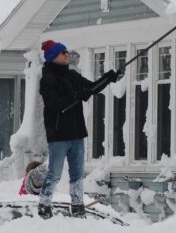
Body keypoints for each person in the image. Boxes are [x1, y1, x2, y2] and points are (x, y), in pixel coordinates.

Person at [37, 40, 122, 219]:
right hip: (59, 135)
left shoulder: (72, 76)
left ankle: (77, 205)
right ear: (53, 57)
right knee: (55, 173)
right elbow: (54, 104)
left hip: (76, 133)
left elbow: (90, 89)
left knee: (77, 173)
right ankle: (44, 205)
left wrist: (108, 78)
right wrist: (76, 95)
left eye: (67, 52)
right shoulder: (47, 79)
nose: (67, 55)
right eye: (63, 53)